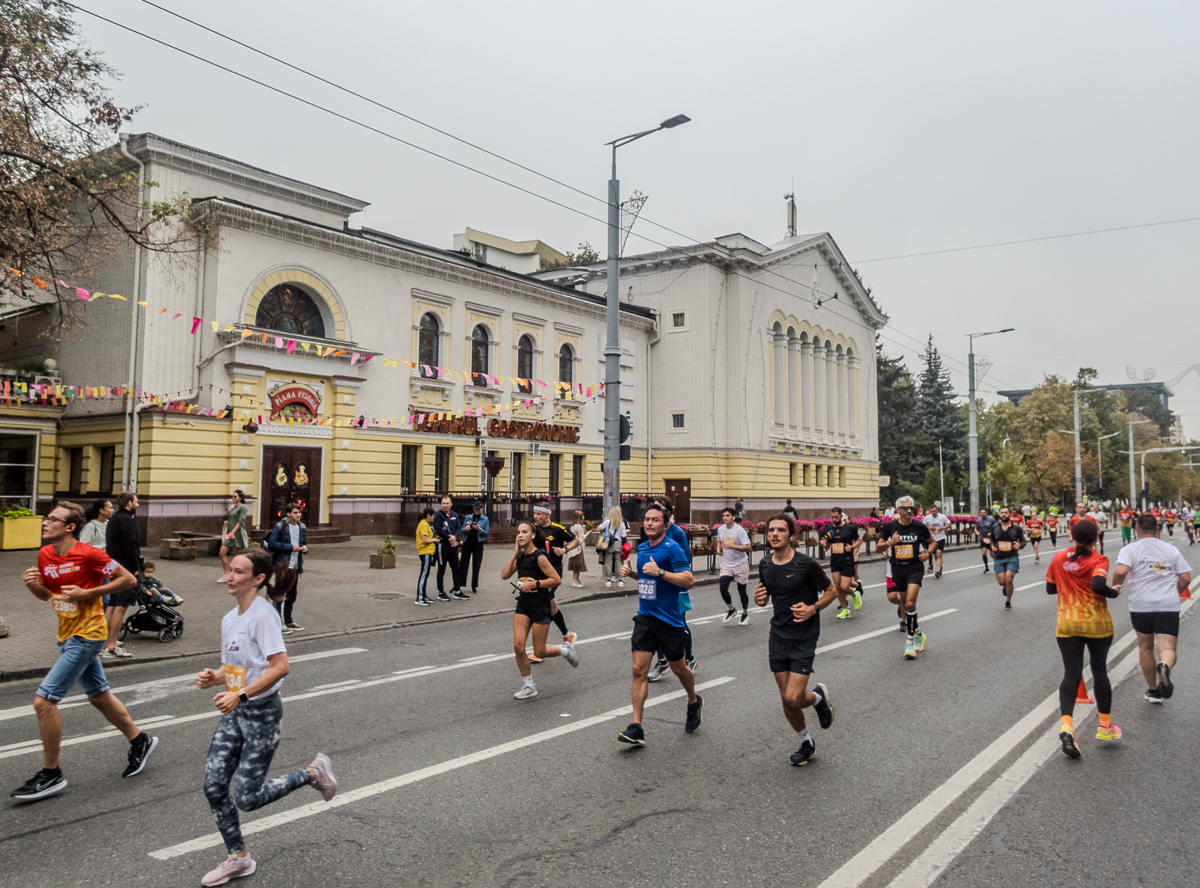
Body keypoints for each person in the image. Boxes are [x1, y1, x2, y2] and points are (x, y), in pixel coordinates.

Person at [196, 550, 337, 886]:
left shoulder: (264, 616)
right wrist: (216, 678)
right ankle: (239, 857)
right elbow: (238, 669)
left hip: (262, 715)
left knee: (247, 798)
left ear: (258, 578)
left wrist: (240, 694)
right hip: (236, 713)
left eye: (238, 571)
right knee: (214, 786)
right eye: (230, 570)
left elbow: (280, 667)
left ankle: (312, 773)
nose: (230, 576)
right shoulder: (230, 618)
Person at [12, 502, 157, 802]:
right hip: (66, 634)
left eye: (53, 519)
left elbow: (128, 579)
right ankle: (140, 740)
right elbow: (47, 595)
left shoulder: (89, 554)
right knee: (98, 696)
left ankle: (51, 773)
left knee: (44, 701)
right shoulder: (45, 555)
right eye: (47, 517)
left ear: (70, 527)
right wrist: (33, 586)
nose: (45, 522)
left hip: (89, 634)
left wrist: (88, 593)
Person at [756, 514, 837, 766]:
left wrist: (813, 608)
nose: (775, 534)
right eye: (771, 530)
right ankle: (806, 742)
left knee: (793, 697)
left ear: (791, 535)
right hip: (777, 635)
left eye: (781, 530)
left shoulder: (806, 564)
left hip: (804, 636)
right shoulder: (765, 564)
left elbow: (832, 590)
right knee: (786, 699)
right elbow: (765, 595)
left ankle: (817, 698)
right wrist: (761, 599)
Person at [617, 504, 701, 746]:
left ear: (665, 525)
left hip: (670, 620)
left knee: (679, 669)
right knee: (638, 670)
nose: (650, 523)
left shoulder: (672, 548)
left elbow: (689, 580)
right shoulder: (642, 547)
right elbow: (647, 577)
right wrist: (633, 574)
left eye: (655, 520)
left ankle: (693, 701)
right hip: (645, 617)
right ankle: (637, 727)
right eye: (647, 519)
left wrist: (661, 572)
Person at [1046, 517, 1121, 758]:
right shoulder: (1098, 559)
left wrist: (1069, 584)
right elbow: (1099, 585)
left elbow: (1050, 588)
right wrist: (1114, 592)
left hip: (1067, 623)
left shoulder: (1059, 558)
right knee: (1099, 671)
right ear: (1096, 538)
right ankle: (1106, 726)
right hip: (1096, 623)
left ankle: (1067, 725)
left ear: (1071, 536)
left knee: (1072, 673)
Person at [1112, 512, 1192, 703]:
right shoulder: (1170, 549)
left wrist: (1115, 586)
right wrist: (1174, 591)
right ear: (1158, 529)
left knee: (1145, 647)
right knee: (1167, 647)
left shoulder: (1130, 549)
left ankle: (1154, 690)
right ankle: (1164, 664)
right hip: (1168, 605)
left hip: (1141, 605)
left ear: (1136, 529)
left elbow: (1121, 570)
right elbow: (1186, 578)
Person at [500, 521, 579, 699]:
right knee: (518, 646)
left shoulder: (540, 556)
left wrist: (535, 583)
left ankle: (565, 650)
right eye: (518, 532)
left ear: (533, 535)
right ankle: (529, 686)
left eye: (524, 532)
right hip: (523, 606)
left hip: (541, 606)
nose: (520, 535)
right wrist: (515, 553)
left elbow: (556, 579)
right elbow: (504, 575)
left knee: (540, 651)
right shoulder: (520, 557)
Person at [646, 498, 697, 677]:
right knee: (656, 623)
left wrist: (667, 568)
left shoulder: (677, 533)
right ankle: (662, 662)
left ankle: (689, 658)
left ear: (667, 514)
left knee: (680, 623)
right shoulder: (650, 532)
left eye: (659, 508)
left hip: (675, 585)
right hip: (657, 585)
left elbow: (686, 560)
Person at [877, 496, 932, 659]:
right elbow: (878, 546)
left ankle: (909, 641)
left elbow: (933, 542)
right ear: (898, 510)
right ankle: (918, 633)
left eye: (911, 508)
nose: (910, 510)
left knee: (909, 603)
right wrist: (890, 543)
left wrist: (928, 553)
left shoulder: (919, 526)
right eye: (906, 508)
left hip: (915, 567)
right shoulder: (890, 527)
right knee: (903, 603)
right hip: (898, 568)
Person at [530, 505, 579, 651]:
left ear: (547, 515)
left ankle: (539, 649)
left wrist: (564, 549)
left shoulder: (558, 529)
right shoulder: (534, 529)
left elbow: (576, 540)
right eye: (534, 514)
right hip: (538, 572)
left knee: (543, 607)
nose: (536, 517)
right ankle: (567, 634)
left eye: (539, 514)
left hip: (553, 574)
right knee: (552, 608)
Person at [103, 492, 141, 659]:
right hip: (124, 568)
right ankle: (111, 647)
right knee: (121, 606)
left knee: (112, 603)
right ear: (130, 503)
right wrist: (134, 568)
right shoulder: (127, 520)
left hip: (113, 565)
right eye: (136, 501)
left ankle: (104, 643)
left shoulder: (114, 519)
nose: (138, 504)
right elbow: (130, 545)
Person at [264, 503, 308, 632]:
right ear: (288, 514)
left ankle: (288, 621)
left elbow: (304, 543)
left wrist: (305, 549)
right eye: (295, 513)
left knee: (292, 595)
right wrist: (290, 548)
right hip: (282, 565)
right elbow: (272, 544)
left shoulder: (302, 527)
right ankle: (278, 622)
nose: (298, 515)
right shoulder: (280, 526)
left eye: (299, 512)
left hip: (295, 566)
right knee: (279, 596)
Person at [820, 507, 861, 619]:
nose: (834, 519)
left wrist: (852, 547)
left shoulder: (849, 528)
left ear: (841, 516)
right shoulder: (829, 529)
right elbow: (827, 546)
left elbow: (859, 540)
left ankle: (854, 594)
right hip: (835, 560)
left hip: (847, 560)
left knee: (844, 586)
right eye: (832, 517)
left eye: (836, 517)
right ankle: (845, 609)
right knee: (837, 586)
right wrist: (824, 544)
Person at [716, 506, 752, 625]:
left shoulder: (739, 530)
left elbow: (748, 547)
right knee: (723, 588)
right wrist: (718, 548)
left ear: (733, 517)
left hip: (740, 563)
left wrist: (733, 547)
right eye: (724, 516)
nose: (725, 518)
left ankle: (745, 613)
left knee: (741, 590)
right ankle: (731, 609)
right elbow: (719, 540)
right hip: (727, 564)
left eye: (727, 516)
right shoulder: (721, 529)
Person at [987, 506, 1026, 610]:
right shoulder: (995, 527)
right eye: (1002, 513)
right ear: (1000, 514)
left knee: (1009, 579)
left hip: (1011, 557)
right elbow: (991, 538)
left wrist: (1020, 546)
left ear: (1009, 514)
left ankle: (1008, 601)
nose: (1003, 514)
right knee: (1002, 582)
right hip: (999, 558)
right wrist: (992, 545)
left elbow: (1023, 541)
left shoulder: (1016, 528)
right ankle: (1005, 586)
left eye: (1006, 512)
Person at [432, 494, 466, 601]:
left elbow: (458, 527)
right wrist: (448, 538)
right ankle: (441, 592)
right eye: (443, 503)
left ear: (451, 504)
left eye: (447, 503)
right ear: (441, 504)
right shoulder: (438, 515)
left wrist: (455, 537)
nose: (445, 505)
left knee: (456, 568)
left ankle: (457, 590)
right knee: (442, 569)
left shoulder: (454, 515)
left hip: (453, 546)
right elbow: (438, 529)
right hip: (443, 545)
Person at [217, 490, 249, 583]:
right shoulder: (233, 506)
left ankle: (238, 575)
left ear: (240, 497)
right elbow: (231, 518)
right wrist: (229, 512)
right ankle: (226, 574)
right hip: (229, 532)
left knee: (238, 557)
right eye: (232, 496)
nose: (233, 498)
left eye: (235, 496)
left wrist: (233, 532)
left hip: (237, 533)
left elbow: (241, 521)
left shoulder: (243, 507)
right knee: (222, 552)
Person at [460, 500, 490, 593]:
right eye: (475, 509)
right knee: (463, 563)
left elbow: (486, 532)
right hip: (468, 542)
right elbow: (462, 529)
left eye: (478, 509)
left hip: (478, 543)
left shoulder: (485, 519)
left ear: (482, 509)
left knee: (476, 564)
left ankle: (474, 585)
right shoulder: (468, 517)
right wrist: (466, 529)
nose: (476, 511)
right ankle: (460, 584)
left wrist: (479, 529)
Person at [598, 507, 627, 588]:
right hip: (618, 543)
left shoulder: (607, 522)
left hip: (609, 543)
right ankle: (620, 580)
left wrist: (605, 529)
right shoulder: (621, 524)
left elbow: (598, 528)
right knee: (618, 562)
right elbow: (623, 536)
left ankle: (608, 580)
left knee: (609, 562)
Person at [922, 504, 951, 579]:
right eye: (931, 511)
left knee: (939, 553)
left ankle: (938, 571)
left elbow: (949, 524)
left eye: (934, 511)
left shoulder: (942, 517)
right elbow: (922, 527)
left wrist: (944, 527)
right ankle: (939, 566)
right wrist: (929, 527)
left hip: (941, 537)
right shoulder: (927, 518)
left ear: (937, 510)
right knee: (935, 555)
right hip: (932, 539)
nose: (933, 513)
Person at [414, 506, 436, 605]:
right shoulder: (424, 525)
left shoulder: (425, 524)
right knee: (424, 574)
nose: (434, 517)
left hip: (427, 552)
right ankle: (419, 597)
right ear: (428, 515)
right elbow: (424, 540)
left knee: (426, 574)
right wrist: (434, 540)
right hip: (425, 552)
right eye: (432, 515)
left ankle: (424, 595)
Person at [567, 510, 588, 587]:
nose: (583, 517)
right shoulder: (578, 526)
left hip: (574, 548)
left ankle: (577, 580)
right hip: (577, 549)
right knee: (577, 565)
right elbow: (581, 537)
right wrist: (586, 535)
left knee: (577, 565)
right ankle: (575, 581)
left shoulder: (573, 526)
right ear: (579, 517)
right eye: (582, 516)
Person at [975, 507, 998, 575]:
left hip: (991, 539)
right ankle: (986, 567)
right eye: (981, 513)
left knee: (992, 554)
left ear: (986, 513)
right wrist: (977, 532)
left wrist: (991, 532)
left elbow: (996, 527)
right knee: (984, 552)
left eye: (984, 512)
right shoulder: (979, 521)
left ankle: (997, 565)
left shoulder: (991, 519)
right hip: (983, 538)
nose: (982, 514)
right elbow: (976, 528)